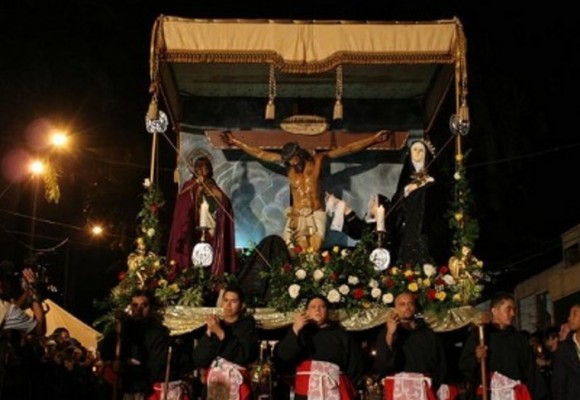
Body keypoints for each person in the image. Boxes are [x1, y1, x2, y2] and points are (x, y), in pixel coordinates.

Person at [223, 130, 390, 252]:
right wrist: (236, 142)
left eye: (293, 159)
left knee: (314, 250)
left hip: (316, 213)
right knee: (294, 251)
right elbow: (261, 154)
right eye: (288, 161)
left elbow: (347, 149)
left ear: (299, 154)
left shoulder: (318, 161)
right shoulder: (289, 167)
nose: (292, 163)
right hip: (296, 214)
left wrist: (373, 139)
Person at [97, 289, 186, 400]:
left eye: (144, 305)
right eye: (135, 305)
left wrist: (129, 368)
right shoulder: (123, 327)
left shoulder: (158, 332)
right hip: (122, 386)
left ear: (150, 308)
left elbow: (157, 364)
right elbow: (104, 349)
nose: (139, 309)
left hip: (144, 388)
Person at [458, 292, 549, 400]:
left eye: (514, 310)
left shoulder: (520, 339)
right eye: (508, 309)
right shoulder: (480, 336)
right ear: (494, 311)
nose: (513, 314)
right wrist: (476, 358)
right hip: (489, 394)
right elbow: (464, 366)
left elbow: (531, 372)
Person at [275, 294, 365, 400]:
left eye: (322, 306)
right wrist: (295, 329)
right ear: (307, 311)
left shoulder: (341, 335)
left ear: (327, 311)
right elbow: (283, 357)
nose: (317, 309)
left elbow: (355, 366)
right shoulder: (299, 333)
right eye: (313, 307)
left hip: (334, 390)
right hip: (305, 392)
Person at [166, 155, 237, 281]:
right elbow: (183, 207)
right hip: (193, 230)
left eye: (205, 168)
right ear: (195, 170)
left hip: (211, 228)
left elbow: (225, 205)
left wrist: (219, 196)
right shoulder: (189, 185)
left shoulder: (213, 186)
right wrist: (196, 189)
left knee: (211, 257)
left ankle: (212, 280)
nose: (202, 171)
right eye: (199, 168)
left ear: (210, 170)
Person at [374, 291, 447, 400]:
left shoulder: (428, 333)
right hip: (398, 389)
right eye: (402, 304)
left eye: (410, 303)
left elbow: (439, 363)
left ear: (415, 307)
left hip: (424, 387)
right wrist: (390, 334)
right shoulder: (388, 332)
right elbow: (383, 361)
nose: (407, 307)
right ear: (395, 309)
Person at [192, 285, 259, 400]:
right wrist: (209, 333)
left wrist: (220, 333)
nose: (228, 305)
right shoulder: (216, 324)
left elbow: (244, 355)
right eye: (226, 300)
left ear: (242, 305)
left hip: (236, 385)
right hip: (214, 386)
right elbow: (199, 359)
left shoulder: (247, 326)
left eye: (234, 301)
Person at [392, 140, 436, 265]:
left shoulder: (432, 178)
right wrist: (407, 189)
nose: (417, 153)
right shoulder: (405, 178)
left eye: (421, 150)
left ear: (426, 154)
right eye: (415, 150)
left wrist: (422, 185)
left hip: (427, 223)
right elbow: (398, 199)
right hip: (410, 220)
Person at [550, 303, 580, 400]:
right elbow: (558, 385)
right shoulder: (563, 349)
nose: (569, 318)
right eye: (569, 315)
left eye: (574, 314)